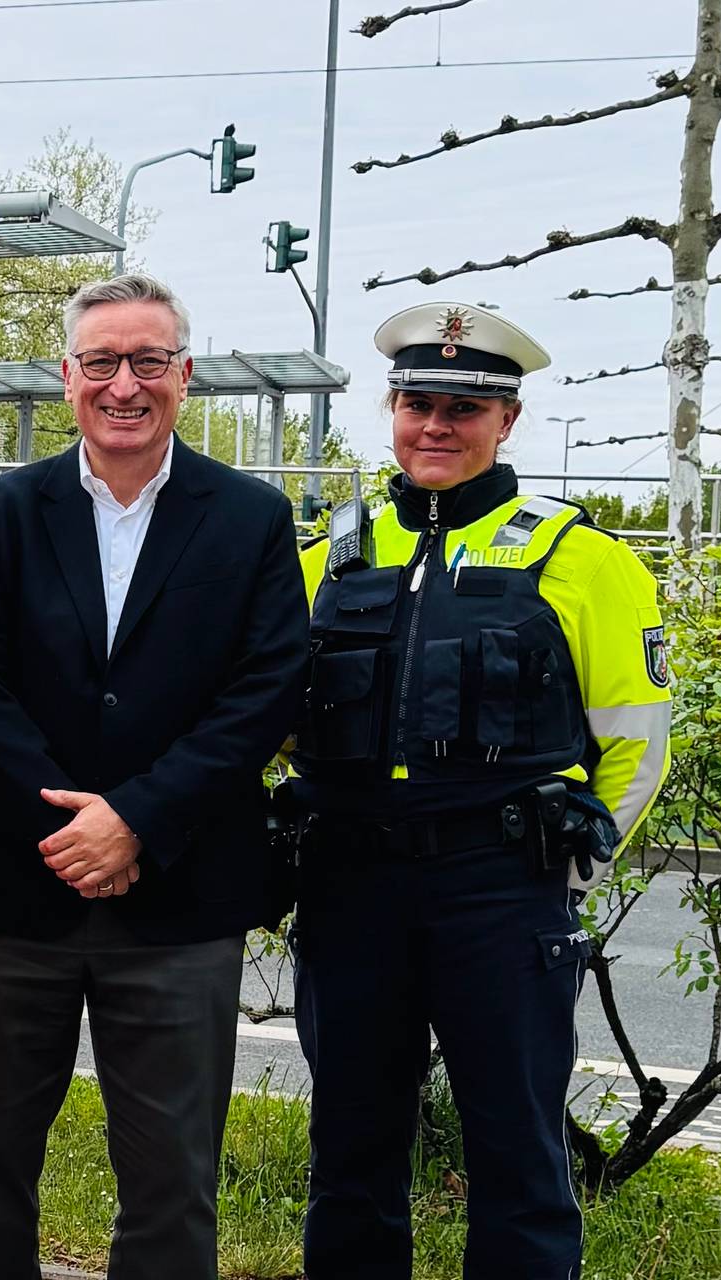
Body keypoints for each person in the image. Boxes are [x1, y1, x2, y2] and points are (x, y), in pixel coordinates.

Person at [0, 273, 307, 1280]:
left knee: (171, 1178)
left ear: (184, 375)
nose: (123, 384)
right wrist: (72, 826)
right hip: (14, 889)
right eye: (100, 361)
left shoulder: (250, 519)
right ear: (67, 377)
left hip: (180, 899)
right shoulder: (4, 510)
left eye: (147, 360)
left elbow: (262, 691)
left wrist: (136, 818)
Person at [291, 302, 670, 1278]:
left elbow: (637, 743)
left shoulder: (582, 558)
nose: (435, 424)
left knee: (516, 1160)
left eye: (463, 406)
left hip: (499, 893)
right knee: (348, 1155)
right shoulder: (330, 551)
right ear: (391, 407)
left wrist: (562, 875)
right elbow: (260, 708)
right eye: (418, 401)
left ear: (505, 420)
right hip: (350, 892)